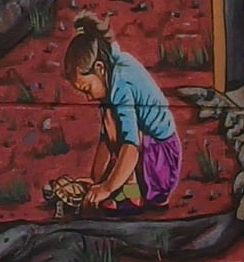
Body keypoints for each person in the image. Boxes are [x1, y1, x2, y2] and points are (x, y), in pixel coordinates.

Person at [63, 16, 183, 210]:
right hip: (150, 154)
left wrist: (106, 188)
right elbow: (106, 140)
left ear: (99, 68)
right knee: (110, 120)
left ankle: (133, 196)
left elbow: (130, 145)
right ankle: (126, 190)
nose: (87, 97)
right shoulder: (113, 71)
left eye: (87, 89)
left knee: (114, 122)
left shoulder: (121, 84)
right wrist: (96, 181)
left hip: (160, 162)